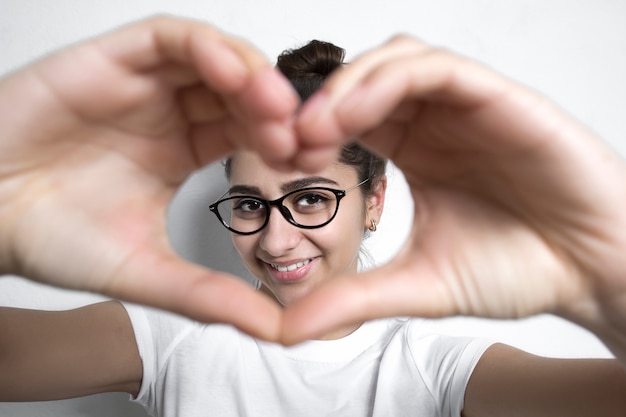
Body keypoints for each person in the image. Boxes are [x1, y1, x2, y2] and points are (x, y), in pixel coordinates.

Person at [2, 33, 626, 417]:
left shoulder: (431, 366)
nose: (275, 241)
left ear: (373, 201)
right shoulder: (171, 335)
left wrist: (599, 283)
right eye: (249, 204)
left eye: (308, 200)